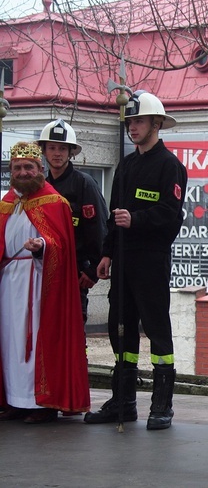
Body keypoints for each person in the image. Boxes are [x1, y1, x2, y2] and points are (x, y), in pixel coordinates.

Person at [84, 91, 187, 430]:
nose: (132, 127)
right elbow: (115, 215)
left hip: (151, 260)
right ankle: (123, 401)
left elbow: (170, 215)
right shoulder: (127, 165)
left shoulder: (169, 166)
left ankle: (162, 404)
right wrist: (107, 253)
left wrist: (138, 220)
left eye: (138, 121)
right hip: (124, 260)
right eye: (129, 122)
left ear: (156, 123)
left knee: (156, 330)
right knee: (119, 328)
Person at [0, 141, 90, 424]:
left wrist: (42, 246)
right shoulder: (6, 203)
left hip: (38, 284)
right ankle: (14, 400)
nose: (23, 172)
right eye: (18, 167)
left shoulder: (54, 203)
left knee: (35, 341)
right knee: (9, 342)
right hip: (8, 282)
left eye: (29, 167)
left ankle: (41, 403)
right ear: (11, 171)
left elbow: (62, 247)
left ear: (40, 169)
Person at [38, 119, 107, 325]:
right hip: (46, 272)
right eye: (52, 148)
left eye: (62, 148)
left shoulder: (84, 184)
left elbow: (99, 228)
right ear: (44, 151)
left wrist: (92, 270)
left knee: (74, 329)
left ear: (70, 152)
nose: (57, 153)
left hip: (77, 274)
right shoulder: (41, 187)